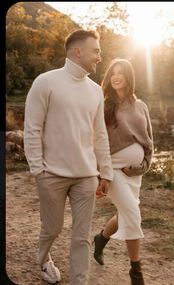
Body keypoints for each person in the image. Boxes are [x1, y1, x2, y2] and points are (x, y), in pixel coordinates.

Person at [24, 29, 113, 285]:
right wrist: (37, 170)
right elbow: (32, 128)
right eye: (95, 50)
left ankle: (79, 281)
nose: (99, 56)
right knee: (52, 228)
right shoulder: (46, 82)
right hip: (51, 175)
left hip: (86, 176)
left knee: (82, 236)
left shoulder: (96, 91)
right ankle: (43, 260)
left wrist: (105, 172)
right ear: (78, 51)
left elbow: (100, 134)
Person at [93, 58, 153, 285]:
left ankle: (100, 239)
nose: (116, 77)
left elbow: (149, 141)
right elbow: (96, 141)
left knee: (125, 213)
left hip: (134, 173)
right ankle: (136, 272)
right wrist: (102, 174)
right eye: (113, 73)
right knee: (132, 213)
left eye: (121, 73)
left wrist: (143, 165)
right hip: (112, 170)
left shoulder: (141, 106)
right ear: (108, 78)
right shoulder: (103, 104)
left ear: (129, 77)